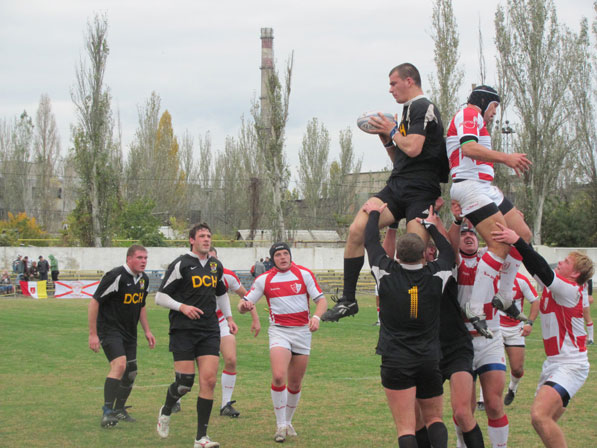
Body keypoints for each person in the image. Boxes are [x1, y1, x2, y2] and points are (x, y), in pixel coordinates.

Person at [322, 62, 448, 322]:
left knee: (413, 252)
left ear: (409, 81)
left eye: (393, 83)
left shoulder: (422, 106)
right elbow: (402, 158)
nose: (390, 89)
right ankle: (348, 299)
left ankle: (416, 313)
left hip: (421, 191)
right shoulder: (407, 111)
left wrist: (391, 129)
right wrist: (387, 140)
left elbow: (413, 148)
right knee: (357, 229)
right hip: (397, 185)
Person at [381, 212, 485, 448]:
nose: (430, 251)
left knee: (462, 413)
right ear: (419, 253)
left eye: (432, 248)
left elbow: (450, 247)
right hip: (425, 352)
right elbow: (388, 258)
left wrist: (443, 221)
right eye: (425, 248)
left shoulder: (444, 271)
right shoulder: (404, 277)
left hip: (455, 347)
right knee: (419, 420)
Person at [492, 223, 594, 448]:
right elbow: (536, 266)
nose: (560, 262)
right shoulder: (556, 285)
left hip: (570, 365)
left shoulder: (569, 289)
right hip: (555, 363)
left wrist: (518, 240)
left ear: (575, 273)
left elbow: (543, 270)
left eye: (566, 262)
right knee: (542, 422)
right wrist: (520, 241)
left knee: (540, 416)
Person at [445, 85, 533, 336]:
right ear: (484, 101)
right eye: (494, 107)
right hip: (470, 186)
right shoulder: (469, 114)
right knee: (500, 244)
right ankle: (474, 308)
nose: (494, 113)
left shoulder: (477, 119)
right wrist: (506, 158)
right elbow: (468, 148)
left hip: (485, 187)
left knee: (522, 235)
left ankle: (504, 296)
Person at [364, 203, 452, 448]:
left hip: (395, 360)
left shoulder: (385, 272)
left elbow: (370, 241)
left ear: (397, 256)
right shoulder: (437, 275)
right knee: (434, 418)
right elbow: (447, 252)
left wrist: (374, 212)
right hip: (429, 359)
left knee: (405, 427)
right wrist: (431, 226)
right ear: (425, 254)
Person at [238, 242, 327, 443]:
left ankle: (287, 421)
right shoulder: (264, 279)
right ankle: (280, 426)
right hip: (279, 332)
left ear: (290, 255)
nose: (283, 257)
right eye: (278, 255)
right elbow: (243, 303)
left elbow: (321, 300)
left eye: (286, 253)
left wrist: (316, 317)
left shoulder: (304, 274)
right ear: (272, 259)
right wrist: (244, 306)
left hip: (302, 332)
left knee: (295, 383)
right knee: (279, 377)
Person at [155, 223, 232, 448]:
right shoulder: (181, 264)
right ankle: (166, 410)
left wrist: (229, 318)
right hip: (183, 330)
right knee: (185, 384)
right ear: (192, 240)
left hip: (209, 330)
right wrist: (182, 307)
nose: (206, 239)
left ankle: (201, 438)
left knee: (209, 380)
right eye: (202, 236)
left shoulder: (215, 265)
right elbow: (160, 297)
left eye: (209, 236)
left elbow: (221, 293)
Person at [173, 246, 260, 418]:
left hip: (219, 321)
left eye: (212, 259)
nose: (209, 262)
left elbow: (246, 296)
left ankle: (225, 404)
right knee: (187, 365)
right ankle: (175, 400)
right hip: (194, 322)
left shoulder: (226, 275)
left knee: (231, 359)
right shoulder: (188, 271)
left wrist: (255, 318)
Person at [447, 211, 510, 448]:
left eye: (472, 233)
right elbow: (449, 244)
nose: (468, 236)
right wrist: (457, 221)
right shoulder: (454, 263)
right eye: (463, 234)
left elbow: (503, 241)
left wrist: (502, 216)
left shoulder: (489, 258)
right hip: (461, 342)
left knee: (494, 404)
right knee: (464, 409)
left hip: (490, 339)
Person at [88, 244, 155, 428]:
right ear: (129, 258)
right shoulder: (115, 276)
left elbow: (141, 305)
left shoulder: (143, 279)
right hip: (110, 329)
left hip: (129, 332)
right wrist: (93, 334)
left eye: (145, 258)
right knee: (120, 365)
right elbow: (95, 302)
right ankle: (107, 412)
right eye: (139, 258)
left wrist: (147, 330)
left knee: (131, 371)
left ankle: (119, 409)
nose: (143, 261)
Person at [501, 272, 540, 406]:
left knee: (517, 369)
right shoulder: (491, 275)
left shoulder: (521, 280)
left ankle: (512, 388)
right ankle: (482, 399)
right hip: (495, 327)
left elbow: (535, 301)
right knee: (493, 366)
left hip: (515, 329)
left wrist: (529, 323)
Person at [583, 279, 594, 345]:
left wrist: (590, 295)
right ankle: (583, 337)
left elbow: (589, 280)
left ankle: (590, 339)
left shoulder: (584, 272)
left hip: (583, 295)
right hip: (573, 296)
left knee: (586, 317)